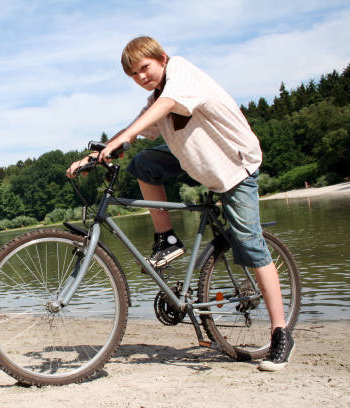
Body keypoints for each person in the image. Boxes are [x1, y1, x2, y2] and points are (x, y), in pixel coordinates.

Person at [66, 36, 294, 371]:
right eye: (133, 75)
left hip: (234, 167)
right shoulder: (156, 99)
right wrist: (97, 153)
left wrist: (125, 138)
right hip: (198, 165)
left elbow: (164, 106)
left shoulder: (181, 72)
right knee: (143, 164)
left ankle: (280, 334)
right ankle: (167, 239)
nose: (141, 77)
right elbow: (137, 128)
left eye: (145, 68)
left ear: (161, 58)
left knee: (249, 244)